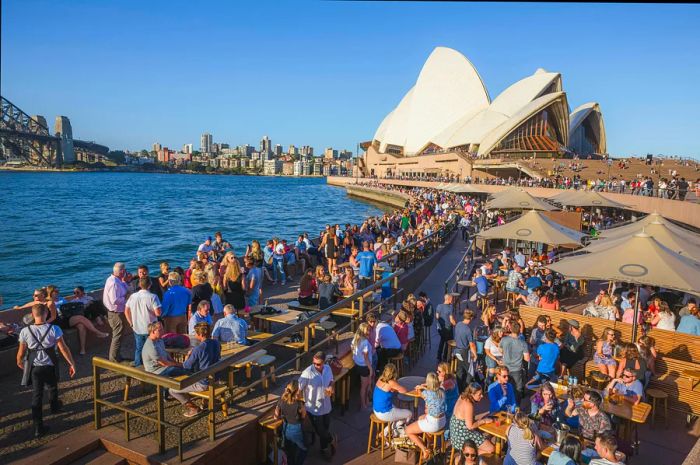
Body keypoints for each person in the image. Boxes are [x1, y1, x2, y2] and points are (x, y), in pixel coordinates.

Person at [16, 303, 76, 437]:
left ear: (32, 315)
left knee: (37, 395)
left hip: (35, 367)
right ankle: (55, 407)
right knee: (53, 386)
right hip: (50, 365)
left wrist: (19, 362)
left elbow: (21, 352)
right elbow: (63, 348)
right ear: (47, 314)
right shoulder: (54, 329)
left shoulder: (25, 331)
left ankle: (38, 427)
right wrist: (71, 363)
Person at [169, 322, 221, 417]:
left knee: (172, 390)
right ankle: (205, 402)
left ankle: (193, 408)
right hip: (216, 378)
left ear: (200, 335)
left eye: (196, 333)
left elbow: (186, 366)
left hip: (204, 383)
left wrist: (188, 356)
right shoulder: (216, 343)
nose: (195, 335)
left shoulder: (198, 349)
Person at [298, 352, 336, 460]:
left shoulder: (328, 369)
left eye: (318, 364)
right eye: (314, 363)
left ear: (324, 362)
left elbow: (332, 380)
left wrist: (330, 387)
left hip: (326, 405)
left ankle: (324, 448)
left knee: (325, 428)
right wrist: (302, 404)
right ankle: (332, 441)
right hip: (313, 408)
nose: (316, 366)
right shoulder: (307, 373)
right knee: (320, 430)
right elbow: (299, 390)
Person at [405, 372, 447, 461]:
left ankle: (424, 449)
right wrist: (424, 386)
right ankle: (429, 443)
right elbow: (432, 390)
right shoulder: (442, 390)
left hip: (433, 423)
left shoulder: (426, 393)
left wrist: (420, 387)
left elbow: (419, 392)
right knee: (421, 418)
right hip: (442, 420)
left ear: (428, 382)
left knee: (408, 430)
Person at [125, 277, 162, 367]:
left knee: (139, 348)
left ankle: (138, 366)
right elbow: (158, 313)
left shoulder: (132, 296)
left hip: (137, 327)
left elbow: (126, 311)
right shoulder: (153, 297)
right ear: (149, 285)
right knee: (152, 347)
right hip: (150, 328)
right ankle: (151, 365)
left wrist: (131, 323)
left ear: (139, 285)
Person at [450, 382, 495, 455]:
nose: (482, 396)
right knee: (491, 449)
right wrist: (484, 421)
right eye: (479, 394)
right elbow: (470, 426)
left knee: (483, 436)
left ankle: (471, 453)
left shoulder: (462, 396)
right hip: (462, 436)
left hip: (454, 434)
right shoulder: (468, 405)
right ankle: (469, 455)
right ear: (472, 394)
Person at [373, 362, 412, 435]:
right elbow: (404, 390)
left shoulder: (381, 378)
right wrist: (396, 386)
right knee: (409, 414)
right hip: (384, 413)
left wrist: (394, 388)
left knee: (398, 412)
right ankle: (400, 429)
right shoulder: (391, 383)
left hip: (376, 409)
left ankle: (384, 432)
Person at [274, 380, 308, 465]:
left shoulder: (281, 401)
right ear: (296, 391)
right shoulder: (299, 403)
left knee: (289, 452)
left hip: (286, 428)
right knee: (304, 449)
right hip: (296, 429)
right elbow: (303, 416)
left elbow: (276, 415)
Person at [103, 262, 130, 362]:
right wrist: (126, 298)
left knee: (119, 335)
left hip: (115, 312)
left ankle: (117, 356)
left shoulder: (113, 280)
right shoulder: (114, 283)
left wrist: (124, 281)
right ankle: (114, 359)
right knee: (117, 336)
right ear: (122, 271)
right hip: (116, 313)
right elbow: (114, 300)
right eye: (125, 270)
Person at [499, 321, 530, 401]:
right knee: (517, 389)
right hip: (517, 369)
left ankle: (506, 403)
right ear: (519, 331)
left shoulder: (504, 339)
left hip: (505, 368)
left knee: (504, 386)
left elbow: (500, 350)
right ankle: (516, 407)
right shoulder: (523, 343)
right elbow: (527, 358)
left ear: (510, 329)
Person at [454, 309, 478, 392]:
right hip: (464, 351)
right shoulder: (468, 330)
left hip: (457, 350)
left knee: (460, 369)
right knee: (470, 370)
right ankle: (466, 388)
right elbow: (472, 345)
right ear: (470, 318)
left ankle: (459, 388)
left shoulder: (458, 324)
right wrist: (475, 355)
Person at [351, 323, 372, 410]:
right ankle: (364, 405)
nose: (369, 331)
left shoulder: (355, 339)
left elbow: (353, 350)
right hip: (364, 366)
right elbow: (366, 357)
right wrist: (371, 369)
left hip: (357, 364)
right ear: (363, 331)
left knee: (364, 386)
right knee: (364, 387)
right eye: (367, 330)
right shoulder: (365, 342)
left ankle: (366, 402)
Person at [437, 362, 459, 426]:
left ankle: (445, 434)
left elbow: (437, 392)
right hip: (449, 404)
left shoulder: (449, 382)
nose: (437, 372)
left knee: (446, 423)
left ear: (445, 372)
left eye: (439, 371)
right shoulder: (448, 378)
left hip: (449, 407)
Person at [436, 293, 456, 362]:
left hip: (440, 328)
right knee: (448, 341)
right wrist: (455, 324)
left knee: (442, 341)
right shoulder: (450, 307)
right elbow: (451, 319)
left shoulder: (439, 306)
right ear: (449, 299)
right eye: (452, 299)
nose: (452, 300)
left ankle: (439, 356)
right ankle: (445, 356)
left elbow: (437, 316)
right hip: (447, 328)